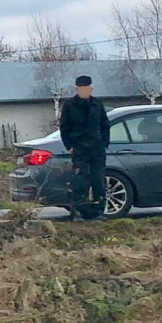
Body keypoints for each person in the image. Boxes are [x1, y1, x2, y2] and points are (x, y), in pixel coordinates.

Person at [58, 75, 110, 222]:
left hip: (97, 149)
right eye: (82, 88)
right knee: (80, 181)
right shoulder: (69, 105)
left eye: (87, 88)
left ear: (91, 88)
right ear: (77, 89)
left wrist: (104, 143)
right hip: (79, 149)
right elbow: (64, 127)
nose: (85, 91)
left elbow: (105, 125)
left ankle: (98, 212)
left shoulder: (97, 104)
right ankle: (79, 212)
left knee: (98, 182)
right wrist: (69, 146)